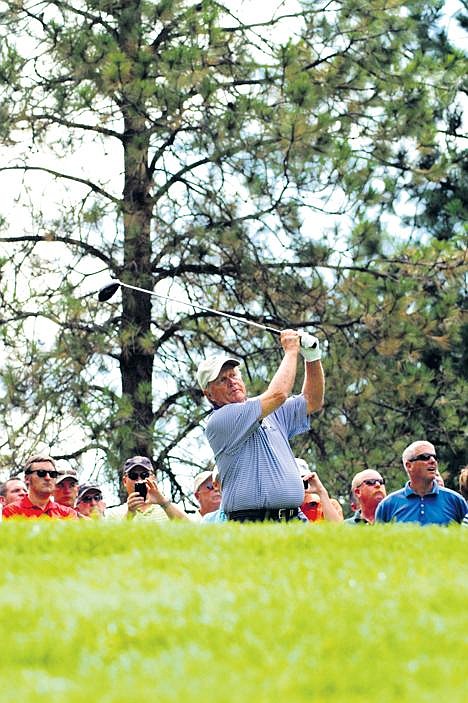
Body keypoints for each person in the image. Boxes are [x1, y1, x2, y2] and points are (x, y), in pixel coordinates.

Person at [197, 329, 324, 522]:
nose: (232, 382)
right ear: (209, 395)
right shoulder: (221, 420)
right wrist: (291, 351)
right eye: (223, 379)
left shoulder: (271, 410)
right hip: (252, 522)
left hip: (293, 519)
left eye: (234, 375)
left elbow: (312, 400)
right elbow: (278, 395)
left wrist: (312, 357)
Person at [375, 440, 468, 526]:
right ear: (409, 466)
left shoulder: (455, 501)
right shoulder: (387, 505)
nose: (432, 461)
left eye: (434, 457)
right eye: (425, 457)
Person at [106, 456, 190, 522]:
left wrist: (164, 503)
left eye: (144, 475)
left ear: (153, 478)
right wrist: (130, 513)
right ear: (124, 481)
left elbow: (192, 532)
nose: (139, 480)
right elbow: (109, 542)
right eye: (133, 475)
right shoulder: (113, 514)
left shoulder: (170, 508)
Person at [2, 454, 78, 520]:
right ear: (27, 478)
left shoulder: (68, 513)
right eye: (41, 473)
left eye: (52, 474)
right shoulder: (11, 511)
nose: (48, 478)